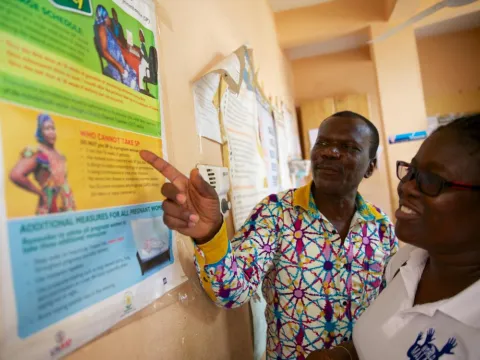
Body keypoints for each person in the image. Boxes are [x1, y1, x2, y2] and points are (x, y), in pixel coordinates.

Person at [140, 111, 398, 359]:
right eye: (323, 143)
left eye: (349, 147)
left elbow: (395, 307)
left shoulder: (381, 228)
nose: (330, 152)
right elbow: (231, 293)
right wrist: (210, 235)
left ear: (370, 166)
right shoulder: (276, 214)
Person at [307, 114, 480, 360]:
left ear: (369, 166)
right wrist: (345, 353)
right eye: (411, 172)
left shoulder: (380, 226)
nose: (406, 187)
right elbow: (387, 336)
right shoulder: (408, 260)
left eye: (432, 180)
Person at [10, 114, 75, 215]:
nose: (51, 132)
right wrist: (39, 193)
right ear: (40, 132)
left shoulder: (60, 154)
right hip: (50, 205)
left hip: (67, 204)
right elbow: (16, 175)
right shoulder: (37, 152)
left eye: (53, 128)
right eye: (47, 129)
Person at [94, 5, 138, 91]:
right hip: (115, 65)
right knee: (131, 82)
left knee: (133, 73)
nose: (109, 19)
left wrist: (124, 46)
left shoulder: (106, 27)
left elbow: (115, 39)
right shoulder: (102, 29)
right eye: (107, 17)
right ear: (103, 18)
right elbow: (104, 52)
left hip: (119, 59)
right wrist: (119, 67)